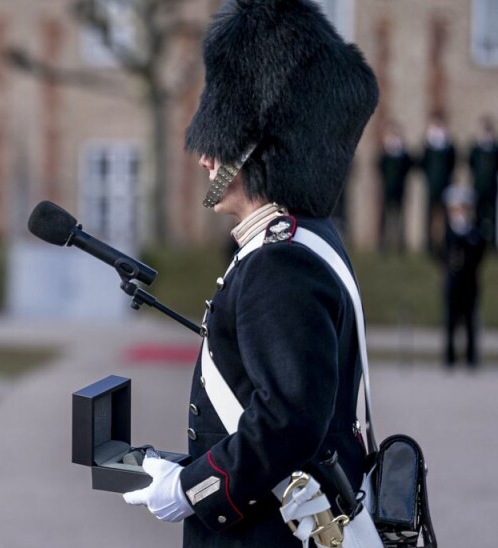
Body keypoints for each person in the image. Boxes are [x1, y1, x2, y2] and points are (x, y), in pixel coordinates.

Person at [121, 1, 378, 546]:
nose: (205, 161)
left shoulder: (279, 263)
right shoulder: (305, 237)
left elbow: (287, 422)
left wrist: (192, 489)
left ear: (255, 151)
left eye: (218, 145)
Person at [440, 184, 486, 370]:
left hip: (469, 282)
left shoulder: (474, 231)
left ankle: (471, 358)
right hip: (453, 281)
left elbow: (480, 252)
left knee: (470, 321)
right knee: (450, 321)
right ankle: (449, 357)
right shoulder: (448, 231)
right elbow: (442, 253)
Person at [421, 113, 456, 255]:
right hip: (431, 186)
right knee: (429, 214)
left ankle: (447, 242)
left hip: (445, 185)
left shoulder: (449, 145)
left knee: (446, 215)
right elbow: (424, 163)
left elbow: (452, 163)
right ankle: (428, 243)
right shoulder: (428, 145)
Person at [377, 121, 412, 253]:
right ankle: (383, 245)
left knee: (400, 218)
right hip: (387, 190)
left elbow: (409, 166)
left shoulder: (403, 154)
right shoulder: (385, 154)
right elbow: (379, 167)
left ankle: (400, 246)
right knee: (385, 217)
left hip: (400, 190)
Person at [468, 115, 498, 249]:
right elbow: (471, 164)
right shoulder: (476, 148)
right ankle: (477, 240)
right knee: (478, 215)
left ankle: (491, 242)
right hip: (478, 187)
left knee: (491, 216)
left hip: (492, 187)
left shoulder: (495, 148)